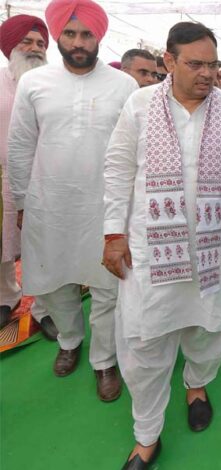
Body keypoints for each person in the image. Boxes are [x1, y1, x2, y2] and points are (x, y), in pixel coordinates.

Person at [102, 22, 221, 468]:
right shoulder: (140, 104)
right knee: (145, 345)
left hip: (214, 252)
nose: (207, 73)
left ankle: (196, 384)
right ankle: (147, 435)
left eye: (213, 64)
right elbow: (118, 168)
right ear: (169, 61)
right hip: (151, 252)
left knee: (209, 332)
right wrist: (113, 233)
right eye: (195, 64)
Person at [7, 0, 137, 401]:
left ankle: (104, 360)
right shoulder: (34, 83)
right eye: (70, 33)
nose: (78, 42)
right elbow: (20, 145)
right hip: (49, 203)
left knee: (108, 285)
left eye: (86, 34)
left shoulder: (124, 86)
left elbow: (135, 151)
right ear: (58, 35)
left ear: (99, 37)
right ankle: (69, 340)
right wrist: (23, 201)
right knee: (54, 279)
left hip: (106, 207)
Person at [0, 14, 56, 337]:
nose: (35, 48)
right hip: (3, 178)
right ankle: (5, 297)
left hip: (44, 178)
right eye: (27, 42)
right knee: (2, 239)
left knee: (43, 245)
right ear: (11, 47)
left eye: (41, 43)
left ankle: (45, 308)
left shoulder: (54, 85)